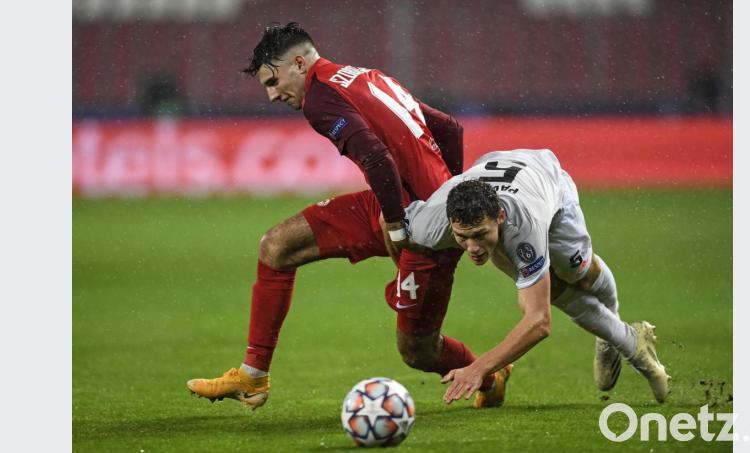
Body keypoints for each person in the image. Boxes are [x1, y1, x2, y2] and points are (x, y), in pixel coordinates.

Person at [186, 23, 509, 410]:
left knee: (417, 350)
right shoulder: (365, 76)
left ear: (300, 63)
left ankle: (488, 373)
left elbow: (375, 158)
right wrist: (446, 195)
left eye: (273, 81)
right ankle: (253, 376)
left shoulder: (320, 99)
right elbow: (448, 127)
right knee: (277, 247)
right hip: (398, 204)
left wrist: (406, 223)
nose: (272, 95)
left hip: (420, 226)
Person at [390, 148, 670, 404]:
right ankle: (632, 344)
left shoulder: (523, 225)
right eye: (462, 237)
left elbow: (539, 322)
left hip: (551, 187)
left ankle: (612, 335)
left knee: (580, 274)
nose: (472, 249)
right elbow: (388, 220)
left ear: (499, 216)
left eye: (480, 235)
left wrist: (479, 368)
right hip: (498, 173)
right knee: (556, 291)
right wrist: (399, 271)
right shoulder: (430, 221)